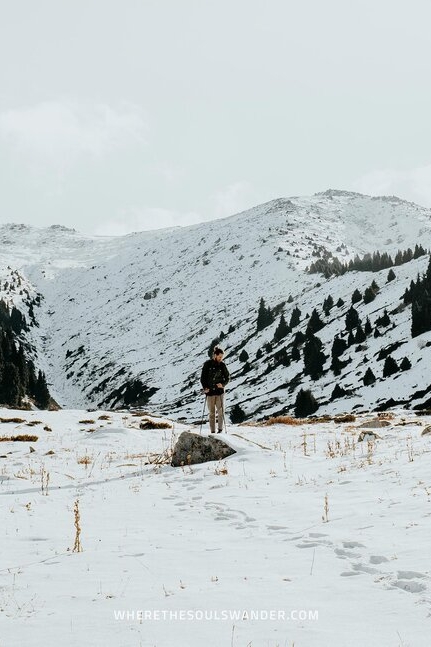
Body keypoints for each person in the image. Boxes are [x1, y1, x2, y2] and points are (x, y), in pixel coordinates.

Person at [200, 346, 230, 433]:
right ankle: (212, 431)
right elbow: (203, 378)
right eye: (220, 357)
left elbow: (227, 377)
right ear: (215, 355)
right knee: (212, 413)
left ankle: (220, 430)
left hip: (219, 392)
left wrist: (223, 384)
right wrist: (205, 388)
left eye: (222, 357)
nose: (221, 359)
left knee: (221, 411)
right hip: (210, 392)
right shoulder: (207, 364)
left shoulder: (222, 365)